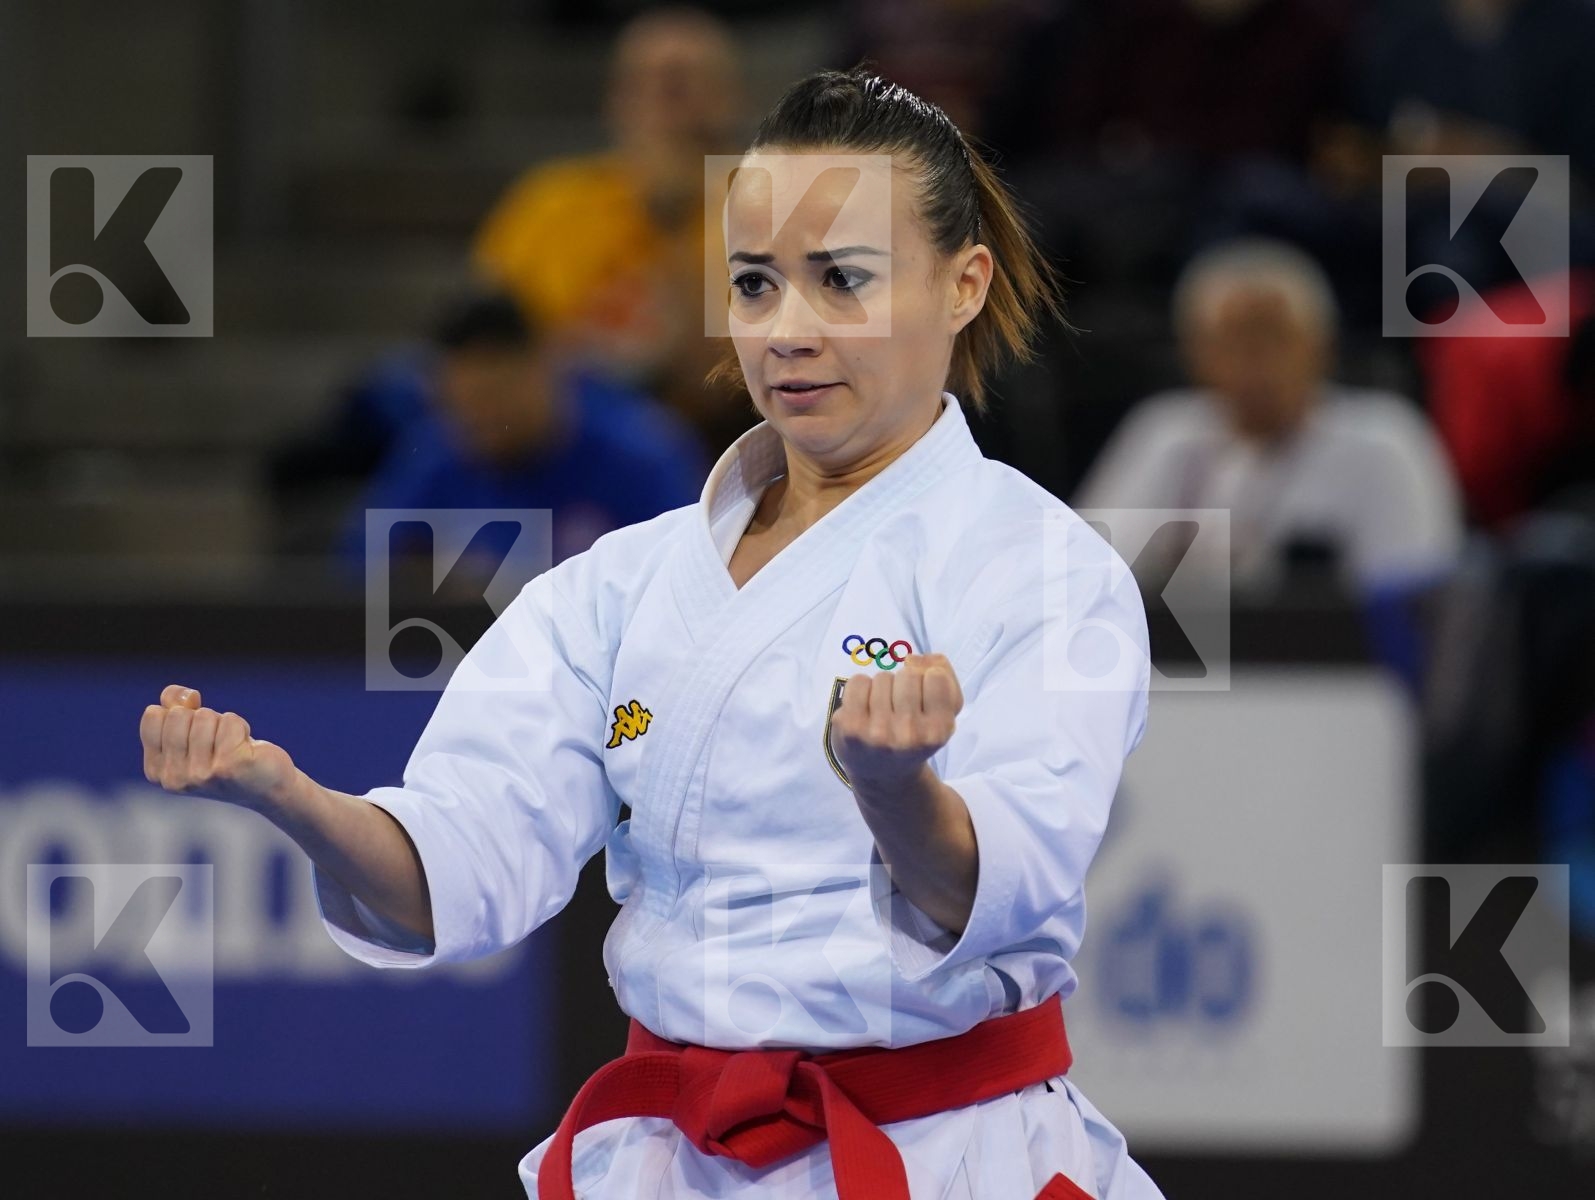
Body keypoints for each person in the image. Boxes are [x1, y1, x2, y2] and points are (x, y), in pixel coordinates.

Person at [139, 67, 1165, 1200]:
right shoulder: (620, 583)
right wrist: (291, 799)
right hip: (672, 1159)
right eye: (755, 284)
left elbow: (997, 889)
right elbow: (455, 867)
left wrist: (893, 786)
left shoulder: (1041, 568)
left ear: (962, 283)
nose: (788, 331)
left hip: (945, 1155)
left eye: (842, 280)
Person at [1075, 236, 1463, 596]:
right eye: (1233, 341)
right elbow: (1087, 573)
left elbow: (1416, 594)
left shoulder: (1384, 441)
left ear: (1321, 345)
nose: (1256, 360)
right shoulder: (1165, 432)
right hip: (1186, 646)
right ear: (1195, 355)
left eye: (1275, 338)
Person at [471, 5, 755, 457]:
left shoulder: (769, 210)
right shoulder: (550, 201)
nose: (666, 104)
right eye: (648, 83)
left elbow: (722, 391)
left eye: (682, 83)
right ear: (615, 100)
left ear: (729, 100)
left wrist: (673, 219)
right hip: (546, 433)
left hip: (685, 442)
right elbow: (486, 348)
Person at [334, 288, 709, 578]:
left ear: (544, 368)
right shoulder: (440, 451)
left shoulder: (641, 452)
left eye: (494, 396)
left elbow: (692, 573)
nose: (481, 418)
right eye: (462, 404)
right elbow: (359, 565)